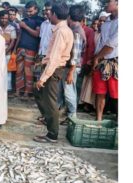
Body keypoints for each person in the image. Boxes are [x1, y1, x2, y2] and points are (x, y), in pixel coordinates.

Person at [32, 2, 73, 143]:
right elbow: (53, 56)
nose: (48, 14)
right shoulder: (62, 29)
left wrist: (43, 78)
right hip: (53, 67)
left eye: (50, 12)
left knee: (50, 102)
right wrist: (42, 62)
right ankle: (48, 118)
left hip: (54, 70)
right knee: (37, 92)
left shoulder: (61, 31)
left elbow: (55, 59)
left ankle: (52, 134)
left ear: (55, 14)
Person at [58, 4, 86, 125]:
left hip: (72, 68)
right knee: (67, 91)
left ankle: (72, 117)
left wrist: (70, 72)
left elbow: (75, 55)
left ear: (69, 16)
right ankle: (68, 115)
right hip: (70, 67)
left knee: (69, 92)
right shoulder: (76, 30)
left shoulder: (77, 33)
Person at [92, 0, 118, 121]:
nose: (106, 4)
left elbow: (111, 44)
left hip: (114, 62)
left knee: (116, 94)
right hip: (101, 60)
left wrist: (97, 57)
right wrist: (95, 57)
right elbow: (101, 42)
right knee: (100, 92)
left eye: (109, 2)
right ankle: (99, 120)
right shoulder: (106, 21)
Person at [14, 1, 44, 100]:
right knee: (19, 70)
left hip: (31, 49)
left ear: (36, 9)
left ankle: (27, 92)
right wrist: (16, 48)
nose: (29, 13)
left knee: (28, 71)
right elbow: (19, 35)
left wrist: (25, 26)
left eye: (30, 11)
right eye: (27, 11)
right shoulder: (24, 19)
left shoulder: (40, 20)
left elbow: (37, 34)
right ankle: (18, 91)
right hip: (20, 48)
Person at [34, 1, 54, 124]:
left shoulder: (57, 26)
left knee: (48, 90)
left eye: (49, 9)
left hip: (51, 59)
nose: (46, 11)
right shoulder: (43, 24)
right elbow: (41, 41)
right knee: (38, 89)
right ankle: (44, 114)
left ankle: (49, 117)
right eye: (45, 9)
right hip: (41, 57)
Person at [0, 10, 17, 92]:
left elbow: (12, 42)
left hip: (7, 53)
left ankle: (8, 88)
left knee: (8, 71)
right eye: (2, 18)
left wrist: (6, 51)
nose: (4, 20)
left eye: (6, 18)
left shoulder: (12, 28)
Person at [78, 17, 96, 112]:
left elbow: (91, 47)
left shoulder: (89, 31)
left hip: (83, 60)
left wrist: (88, 60)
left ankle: (78, 103)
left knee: (79, 83)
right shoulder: (72, 28)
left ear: (83, 21)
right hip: (74, 60)